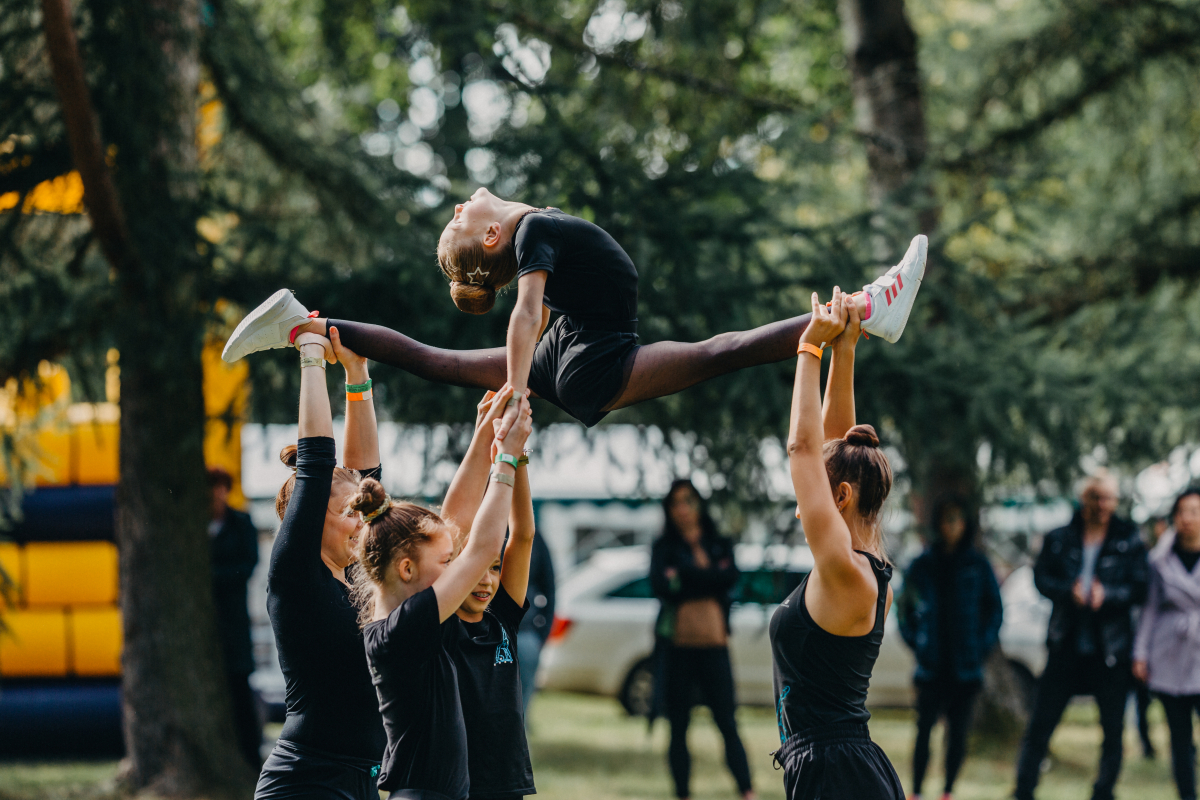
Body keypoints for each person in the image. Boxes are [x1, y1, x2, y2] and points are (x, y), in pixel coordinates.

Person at [220, 191, 927, 435]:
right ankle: (868, 306)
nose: (463, 206)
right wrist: (521, 391)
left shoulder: (535, 228)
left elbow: (532, 319)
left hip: (574, 349)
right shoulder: (533, 236)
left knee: (438, 362)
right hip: (586, 357)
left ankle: (303, 327)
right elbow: (525, 314)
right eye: (462, 219)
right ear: (492, 237)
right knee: (722, 350)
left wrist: (526, 380)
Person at [350, 387, 533, 800]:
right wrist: (506, 459)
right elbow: (484, 546)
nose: (459, 572)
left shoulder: (408, 619)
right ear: (408, 569)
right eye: (446, 562)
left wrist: (487, 432)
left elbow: (457, 519)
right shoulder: (404, 627)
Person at [770, 288, 905, 799]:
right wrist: (845, 349)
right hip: (835, 768)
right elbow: (831, 446)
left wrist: (809, 349)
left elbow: (804, 449)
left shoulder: (848, 574)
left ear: (841, 498)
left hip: (838, 775)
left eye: (818, 495)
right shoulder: (856, 571)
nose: (803, 502)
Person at [254, 327, 389, 799]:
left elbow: (368, 477)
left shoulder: (356, 574)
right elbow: (316, 463)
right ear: (309, 521)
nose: (361, 524)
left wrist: (357, 374)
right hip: (305, 781)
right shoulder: (295, 573)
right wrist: (311, 354)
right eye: (346, 514)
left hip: (364, 779)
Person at [1012, 473, 1149, 800]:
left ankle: (1104, 792)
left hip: (1111, 648)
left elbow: (1141, 587)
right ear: (1083, 500)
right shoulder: (1060, 537)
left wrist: (1109, 595)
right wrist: (1066, 592)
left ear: (1115, 502)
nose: (1101, 506)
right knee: (1040, 725)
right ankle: (1023, 790)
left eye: (1107, 499)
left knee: (1113, 731)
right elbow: (1041, 578)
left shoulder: (1128, 538)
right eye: (1094, 498)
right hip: (1066, 643)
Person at [650, 478, 754, 800]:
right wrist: (707, 579)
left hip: (715, 646)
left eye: (689, 500)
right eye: (676, 502)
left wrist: (685, 576)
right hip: (678, 649)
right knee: (678, 725)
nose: (683, 509)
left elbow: (730, 578)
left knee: (727, 722)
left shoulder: (717, 541)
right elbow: (662, 586)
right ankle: (682, 792)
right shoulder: (664, 546)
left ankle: (747, 790)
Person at [897, 496, 1003, 800]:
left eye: (957, 518)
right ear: (938, 524)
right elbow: (903, 609)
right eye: (946, 519)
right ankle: (916, 791)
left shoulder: (977, 564)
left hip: (965, 666)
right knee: (923, 732)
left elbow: (994, 611)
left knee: (957, 734)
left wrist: (980, 646)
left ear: (965, 523)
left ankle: (947, 791)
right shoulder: (923, 563)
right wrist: (916, 641)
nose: (952, 526)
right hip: (931, 664)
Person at [1134, 488, 1200, 800]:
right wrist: (1141, 653)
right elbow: (1149, 609)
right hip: (1170, 653)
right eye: (1182, 512)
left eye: (1194, 512)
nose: (1188, 519)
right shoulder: (1159, 559)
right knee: (1180, 736)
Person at [207, 466, 264, 770]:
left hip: (233, 622)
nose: (215, 493)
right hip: (206, 627)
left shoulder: (241, 523)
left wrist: (209, 578)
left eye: (219, 487)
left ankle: (250, 759)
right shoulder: (192, 527)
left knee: (240, 689)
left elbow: (248, 565)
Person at [517, 526, 555, 721]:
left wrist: (541, 635)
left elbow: (550, 587)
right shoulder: (479, 527)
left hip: (524, 633)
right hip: (485, 632)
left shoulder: (535, 536)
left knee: (522, 710)